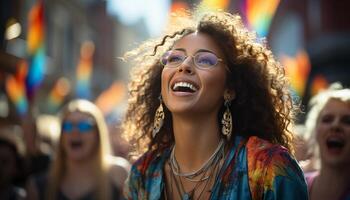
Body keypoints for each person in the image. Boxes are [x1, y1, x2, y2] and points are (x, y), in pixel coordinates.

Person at [122, 10, 308, 200]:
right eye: (174, 58)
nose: (184, 65)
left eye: (205, 60)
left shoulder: (269, 168)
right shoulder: (142, 176)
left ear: (229, 89)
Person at [26, 99, 129, 200]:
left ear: (97, 134)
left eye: (84, 126)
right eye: (68, 126)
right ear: (61, 136)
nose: (75, 131)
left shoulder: (119, 175)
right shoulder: (38, 187)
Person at [304, 83, 350, 200]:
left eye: (347, 121)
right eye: (327, 119)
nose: (335, 125)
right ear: (315, 131)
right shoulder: (295, 185)